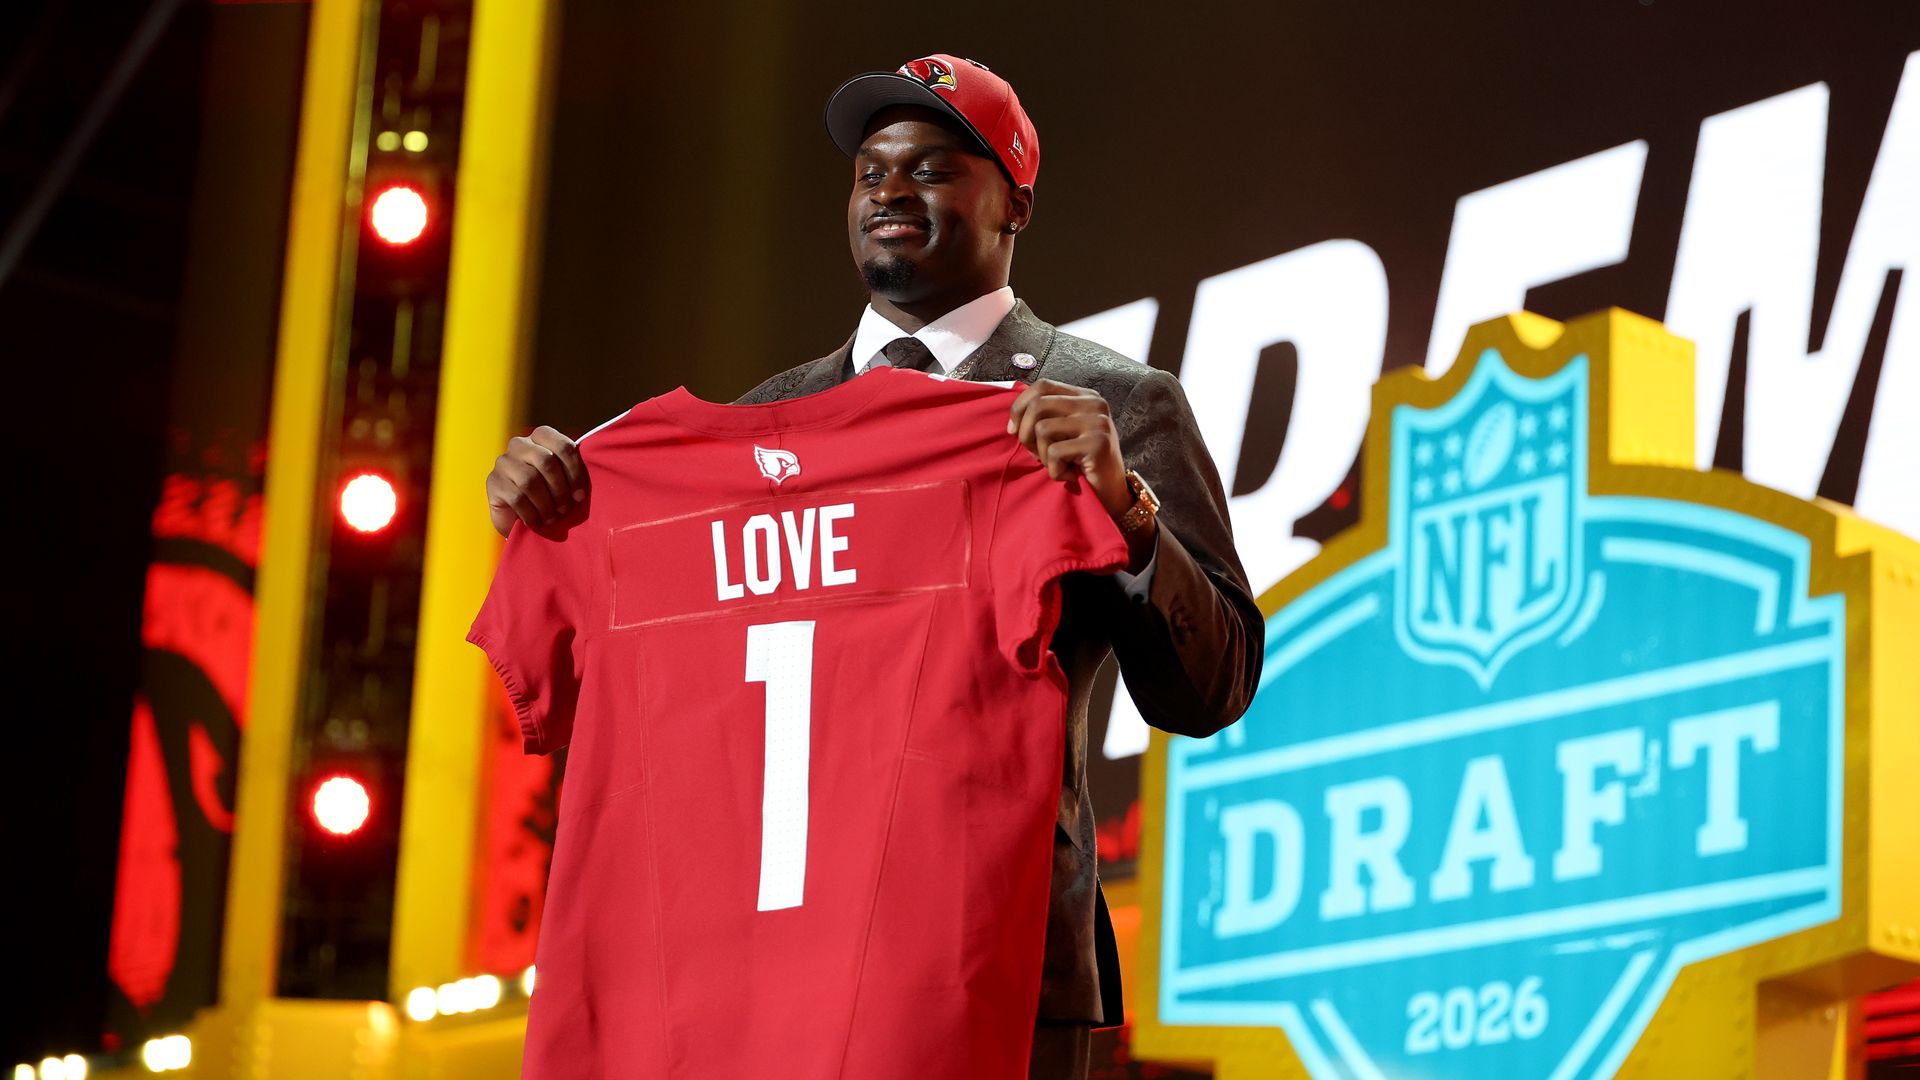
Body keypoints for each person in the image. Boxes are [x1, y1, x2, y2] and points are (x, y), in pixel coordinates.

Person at [483, 53, 1264, 1080]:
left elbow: (1212, 689)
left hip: (1001, 972)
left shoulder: (1111, 403)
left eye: (934, 168)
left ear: (1014, 203)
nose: (891, 189)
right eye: (871, 171)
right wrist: (556, 505)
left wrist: (1130, 509)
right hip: (758, 971)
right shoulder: (752, 426)